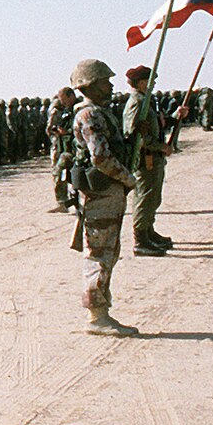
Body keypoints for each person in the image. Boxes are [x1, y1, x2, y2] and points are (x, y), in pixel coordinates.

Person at [68, 60, 139, 336]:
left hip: (108, 191)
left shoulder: (101, 112)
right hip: (101, 191)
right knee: (99, 253)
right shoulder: (89, 115)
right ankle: (97, 317)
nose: (110, 86)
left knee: (108, 251)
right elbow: (100, 157)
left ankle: (101, 312)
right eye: (104, 82)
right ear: (88, 85)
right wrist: (127, 178)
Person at [121, 66, 172, 257]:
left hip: (153, 157)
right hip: (145, 158)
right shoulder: (137, 102)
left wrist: (175, 117)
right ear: (141, 82)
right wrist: (161, 147)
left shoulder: (146, 101)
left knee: (153, 197)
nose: (153, 84)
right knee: (145, 197)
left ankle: (149, 232)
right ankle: (140, 240)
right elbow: (135, 136)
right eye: (150, 80)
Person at [47, 88, 79, 213]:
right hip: (67, 148)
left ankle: (70, 202)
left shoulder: (79, 109)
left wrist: (67, 132)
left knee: (67, 175)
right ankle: (63, 202)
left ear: (71, 96)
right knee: (60, 174)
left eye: (63, 99)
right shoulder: (67, 111)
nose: (62, 102)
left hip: (76, 149)